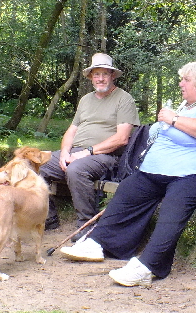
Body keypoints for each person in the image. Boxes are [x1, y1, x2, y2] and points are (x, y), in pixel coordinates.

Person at [60, 61, 196, 286]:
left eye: (186, 79)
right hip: (155, 172)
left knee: (175, 205)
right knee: (128, 190)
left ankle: (148, 266)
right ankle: (98, 243)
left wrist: (172, 119)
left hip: (194, 175)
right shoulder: (184, 107)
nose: (180, 83)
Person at [40, 53, 140, 240]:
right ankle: (47, 218)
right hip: (77, 152)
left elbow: (121, 139)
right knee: (36, 163)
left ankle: (86, 226)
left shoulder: (124, 99)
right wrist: (64, 153)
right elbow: (71, 130)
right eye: (96, 74)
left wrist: (87, 152)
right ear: (91, 77)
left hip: (107, 156)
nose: (100, 78)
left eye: (105, 74)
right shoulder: (85, 100)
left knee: (76, 170)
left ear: (112, 76)